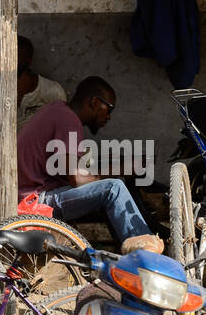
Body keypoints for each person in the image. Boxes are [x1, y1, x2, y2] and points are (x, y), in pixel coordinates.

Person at [17, 75, 162, 254]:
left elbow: (64, 168)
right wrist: (120, 169)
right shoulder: (68, 120)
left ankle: (126, 252)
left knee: (108, 187)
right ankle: (147, 256)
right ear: (94, 102)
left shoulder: (57, 111)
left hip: (33, 194)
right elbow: (76, 179)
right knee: (113, 188)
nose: (108, 117)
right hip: (36, 201)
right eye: (109, 109)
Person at [0, 36, 66, 130]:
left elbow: (63, 126)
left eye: (11, 56)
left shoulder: (53, 90)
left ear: (27, 61)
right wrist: (15, 98)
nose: (4, 61)